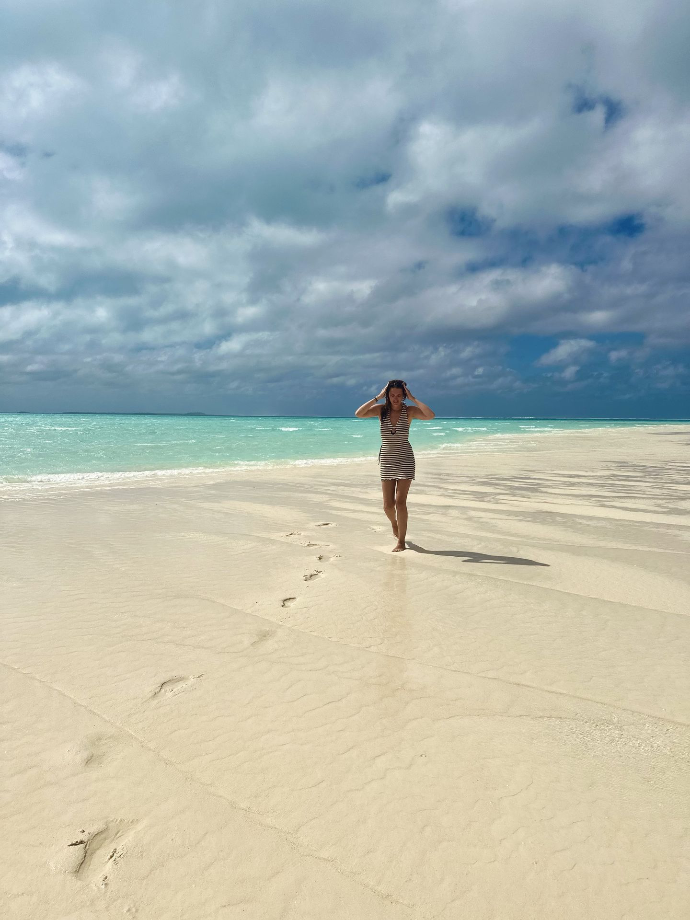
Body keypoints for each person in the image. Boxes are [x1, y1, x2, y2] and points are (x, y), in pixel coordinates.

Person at [354, 380, 436, 552]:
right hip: (387, 460)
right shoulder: (380, 410)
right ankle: (394, 524)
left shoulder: (410, 411)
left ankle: (401, 541)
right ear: (387, 395)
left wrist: (414, 399)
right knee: (388, 506)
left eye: (399, 395)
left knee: (400, 503)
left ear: (403, 396)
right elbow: (359, 414)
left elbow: (430, 415)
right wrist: (378, 397)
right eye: (392, 395)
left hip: (405, 459)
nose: (395, 399)